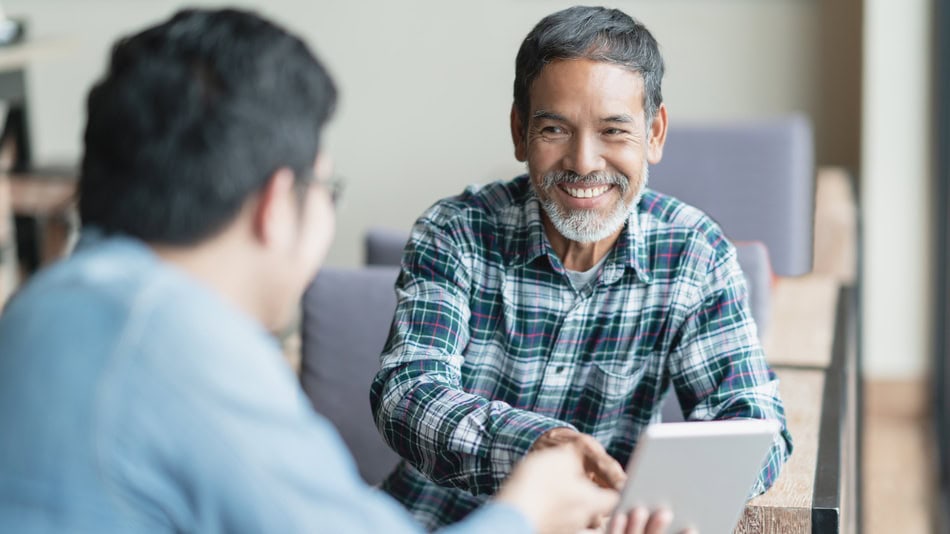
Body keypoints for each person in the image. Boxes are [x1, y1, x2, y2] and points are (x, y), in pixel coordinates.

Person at [0, 8, 663, 534]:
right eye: (326, 187)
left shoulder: (43, 305)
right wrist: (528, 510)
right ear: (274, 206)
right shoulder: (186, 353)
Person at [370, 5, 794, 530]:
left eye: (614, 131)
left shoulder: (695, 254)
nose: (585, 162)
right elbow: (406, 393)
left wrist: (658, 491)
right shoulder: (455, 232)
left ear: (655, 133)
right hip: (436, 522)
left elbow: (754, 424)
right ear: (519, 129)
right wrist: (538, 446)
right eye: (555, 130)